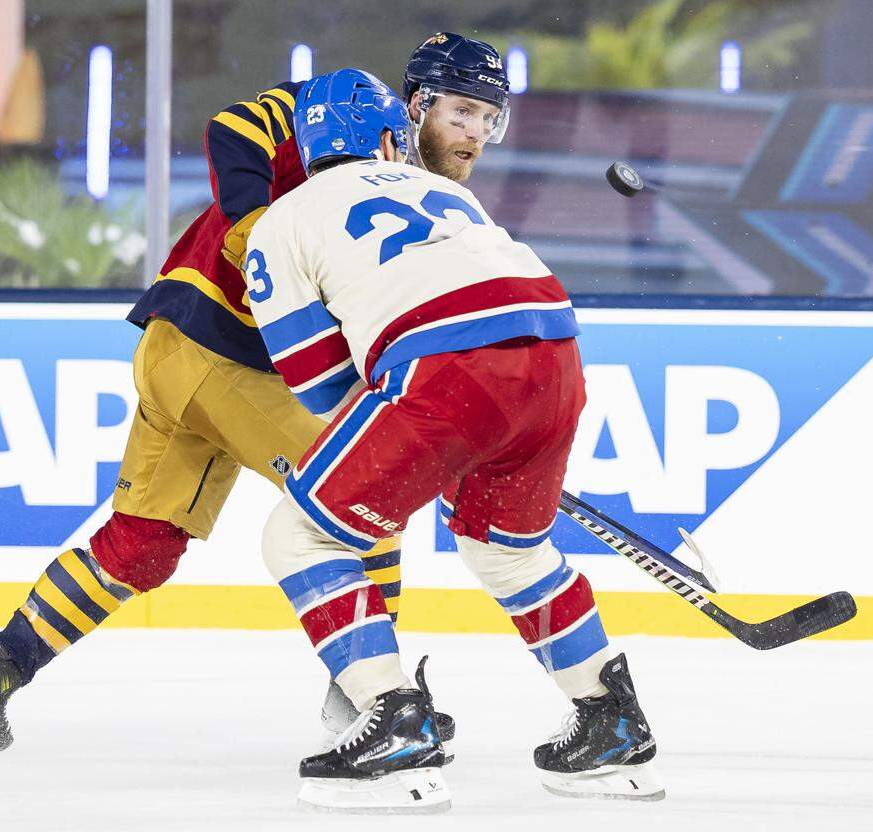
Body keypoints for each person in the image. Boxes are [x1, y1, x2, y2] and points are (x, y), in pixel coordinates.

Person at [0, 33, 511, 762]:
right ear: (416, 104)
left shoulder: (434, 197)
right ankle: (376, 702)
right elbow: (234, 126)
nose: (476, 133)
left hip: (184, 357)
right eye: (464, 111)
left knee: (144, 545)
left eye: (489, 118)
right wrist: (257, 226)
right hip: (225, 354)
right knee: (369, 498)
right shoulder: (347, 109)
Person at [246, 69, 664, 814]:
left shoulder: (281, 222)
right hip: (554, 350)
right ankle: (610, 721)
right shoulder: (446, 192)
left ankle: (392, 721)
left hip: (448, 371)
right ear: (387, 137)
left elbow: (321, 389)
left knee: (300, 538)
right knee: (509, 550)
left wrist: (431, 442)